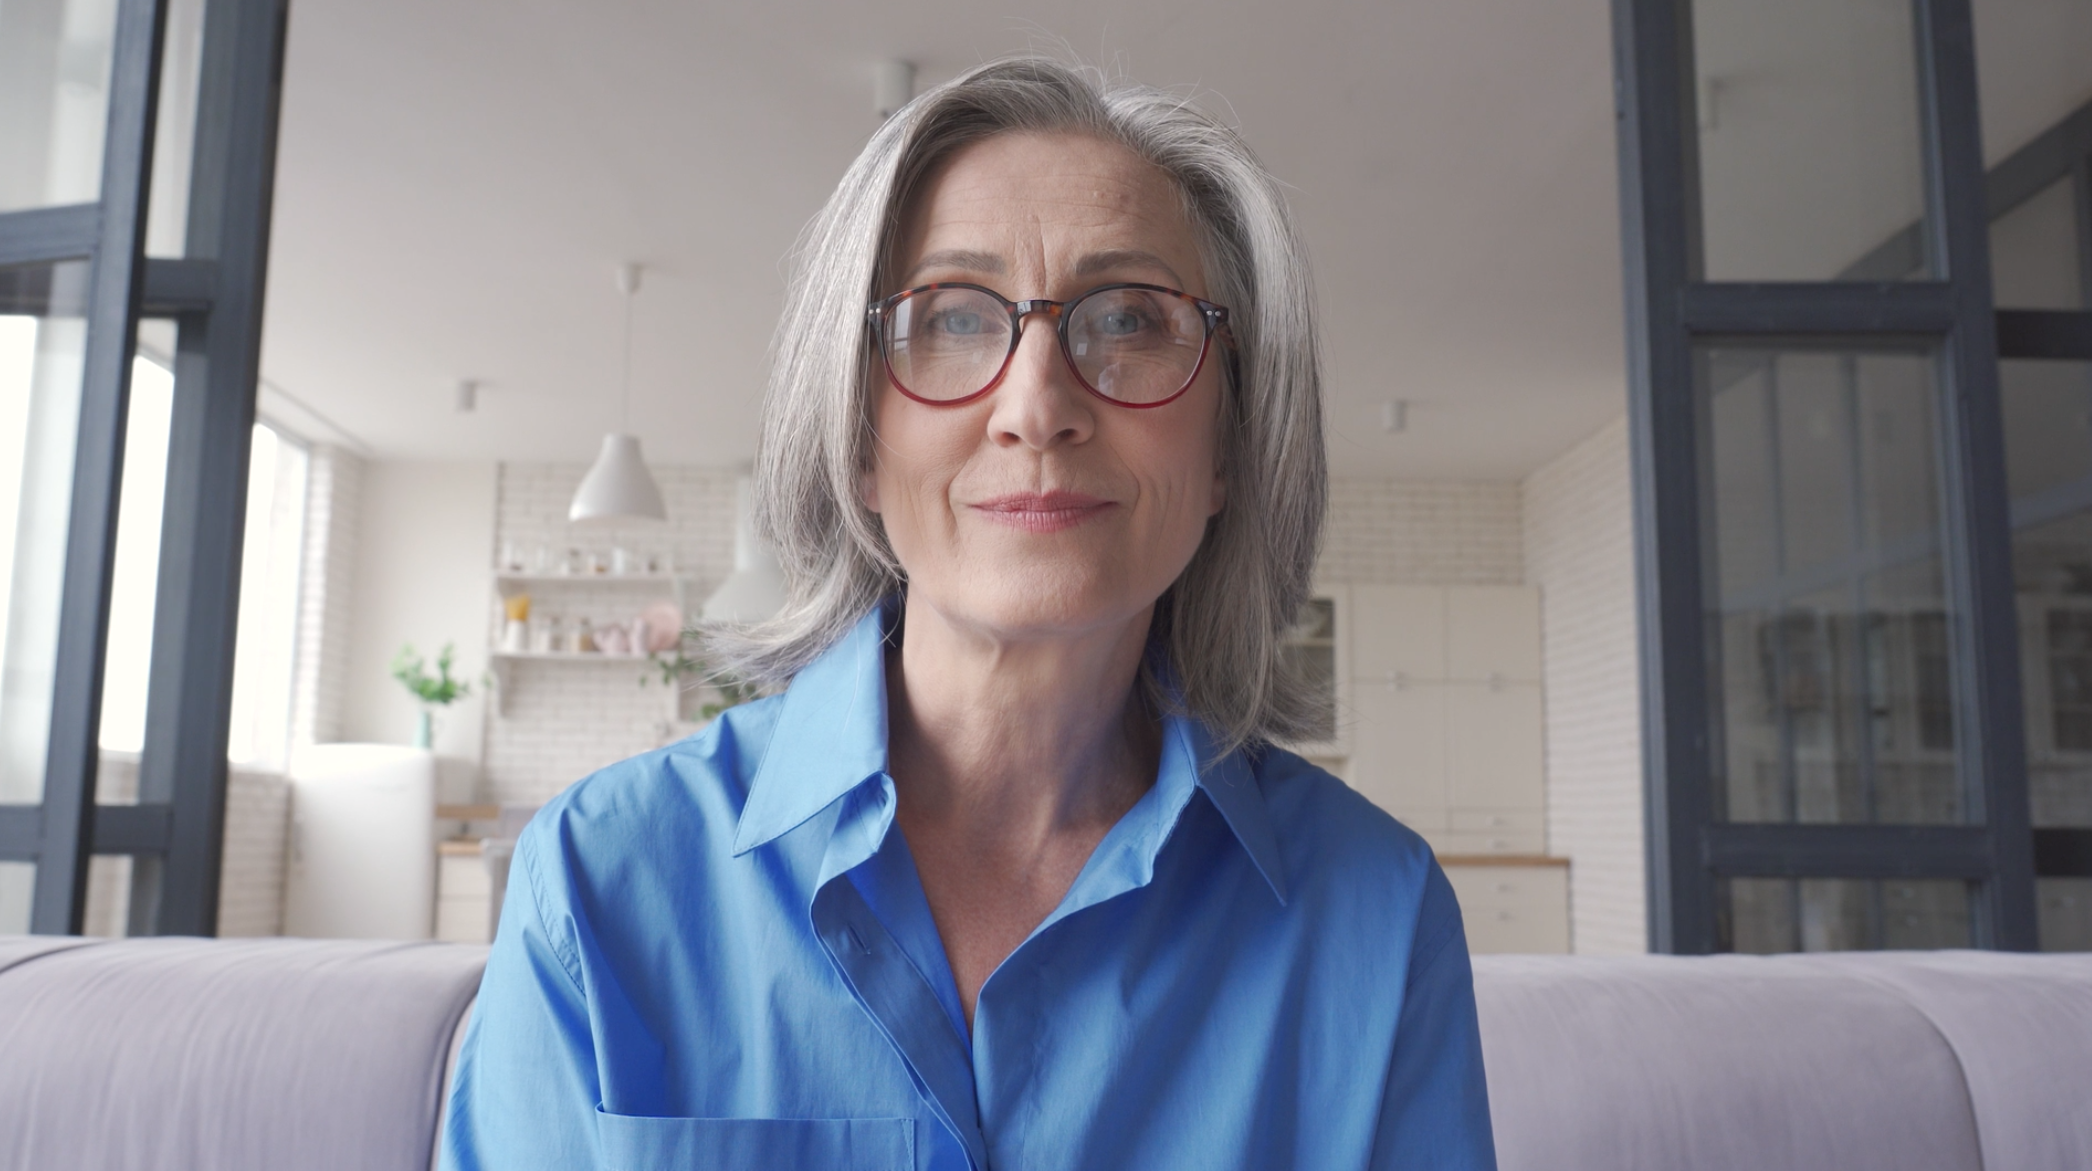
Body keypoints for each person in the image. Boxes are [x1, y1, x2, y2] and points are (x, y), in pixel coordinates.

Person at [442, 57, 1495, 1171]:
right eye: (950, 318)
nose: (1037, 405)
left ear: (1230, 439)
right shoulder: (603, 881)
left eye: (1130, 318)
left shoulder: (1378, 915)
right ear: (855, 436)